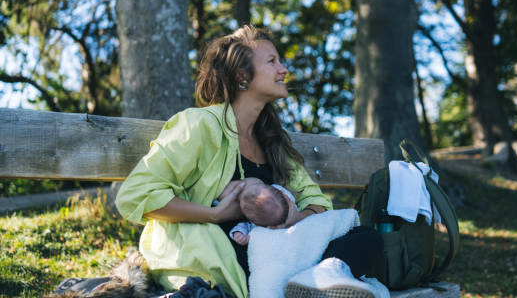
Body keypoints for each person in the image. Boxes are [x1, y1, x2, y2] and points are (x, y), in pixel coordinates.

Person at [115, 25, 384, 298]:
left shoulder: (273, 141)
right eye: (272, 61)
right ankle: (312, 279)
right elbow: (137, 195)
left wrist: (293, 217)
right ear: (243, 76)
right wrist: (216, 214)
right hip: (218, 247)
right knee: (266, 257)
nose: (284, 69)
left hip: (279, 246)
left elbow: (319, 203)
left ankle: (316, 277)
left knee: (368, 238)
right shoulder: (199, 126)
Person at [220, 177, 296, 245]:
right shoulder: (282, 193)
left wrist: (239, 234)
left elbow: (244, 226)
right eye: (257, 190)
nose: (253, 196)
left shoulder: (256, 226)